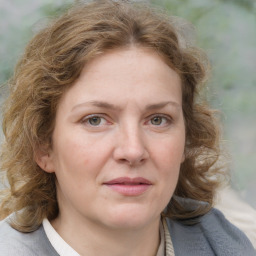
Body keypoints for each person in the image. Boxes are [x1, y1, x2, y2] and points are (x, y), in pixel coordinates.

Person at [0, 0, 255, 255]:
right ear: (44, 146)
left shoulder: (229, 243)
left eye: (158, 120)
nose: (133, 151)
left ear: (187, 140)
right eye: (95, 120)